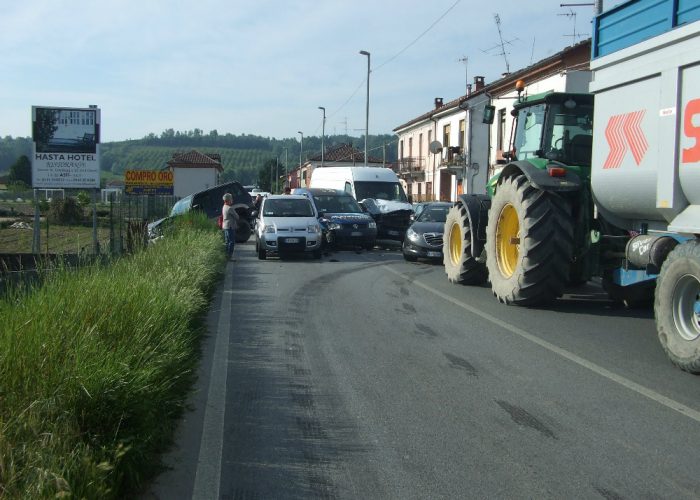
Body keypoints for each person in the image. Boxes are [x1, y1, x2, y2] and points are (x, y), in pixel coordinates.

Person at [222, 193, 240, 260]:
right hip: (230, 226)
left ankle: (226, 255)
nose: (232, 200)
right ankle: (230, 256)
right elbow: (237, 217)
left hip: (225, 226)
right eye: (231, 199)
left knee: (227, 241)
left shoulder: (224, 207)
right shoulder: (230, 208)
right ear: (228, 200)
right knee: (231, 241)